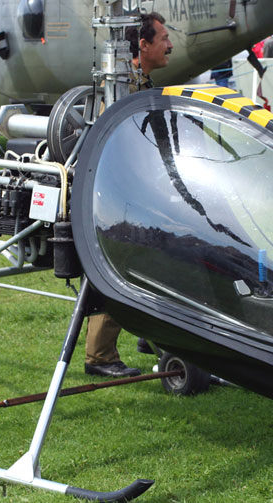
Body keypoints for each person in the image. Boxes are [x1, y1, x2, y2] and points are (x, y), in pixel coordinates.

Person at [83, 12, 173, 378]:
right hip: (118, 199)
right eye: (164, 38)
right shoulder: (120, 86)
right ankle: (99, 357)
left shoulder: (141, 81)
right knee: (120, 265)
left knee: (159, 261)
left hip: (138, 192)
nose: (170, 44)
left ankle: (151, 336)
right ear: (143, 44)